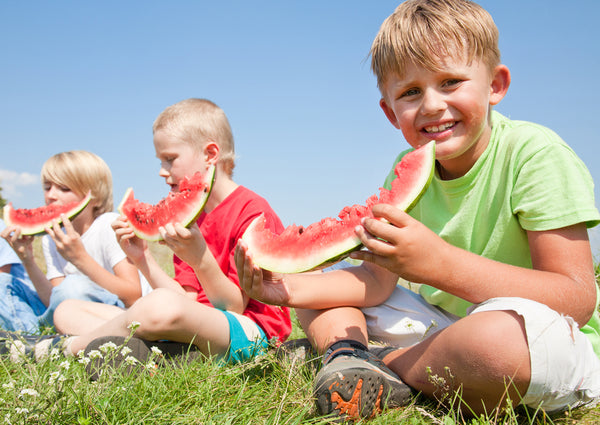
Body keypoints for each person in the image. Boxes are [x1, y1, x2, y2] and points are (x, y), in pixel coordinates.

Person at [235, 0, 600, 420]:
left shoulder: (535, 154)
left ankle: (385, 365)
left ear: (495, 86)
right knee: (323, 283)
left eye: (450, 82)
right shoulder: (405, 171)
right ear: (390, 113)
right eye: (410, 92)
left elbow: (576, 300)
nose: (430, 105)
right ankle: (347, 353)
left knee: (497, 343)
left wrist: (439, 265)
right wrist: (284, 290)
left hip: (544, 341)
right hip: (446, 328)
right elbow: (376, 282)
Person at [52, 98, 291, 365]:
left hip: (250, 332)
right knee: (67, 310)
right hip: (193, 320)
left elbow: (233, 305)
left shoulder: (252, 212)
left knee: (158, 305)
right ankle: (167, 354)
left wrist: (200, 258)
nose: (161, 171)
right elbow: (186, 298)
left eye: (170, 159)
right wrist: (143, 258)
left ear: (210, 154)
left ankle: (71, 348)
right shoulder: (189, 218)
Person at [0, 151, 149, 334]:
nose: (51, 195)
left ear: (94, 196)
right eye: (47, 187)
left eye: (64, 189)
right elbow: (54, 299)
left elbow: (133, 295)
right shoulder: (52, 236)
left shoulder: (108, 225)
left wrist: (80, 259)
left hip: (120, 313)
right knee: (2, 283)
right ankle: (30, 336)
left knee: (73, 285)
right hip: (67, 311)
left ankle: (43, 336)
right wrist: (27, 259)